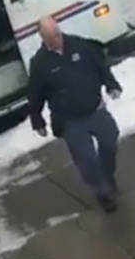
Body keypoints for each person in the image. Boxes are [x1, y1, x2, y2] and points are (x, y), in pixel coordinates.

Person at [27, 17, 124, 212]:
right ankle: (103, 192)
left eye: (58, 33)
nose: (57, 38)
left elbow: (101, 67)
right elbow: (35, 95)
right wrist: (37, 121)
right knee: (86, 159)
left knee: (110, 141)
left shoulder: (80, 45)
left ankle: (107, 175)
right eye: (52, 36)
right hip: (70, 121)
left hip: (95, 109)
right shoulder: (39, 63)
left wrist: (111, 85)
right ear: (43, 38)